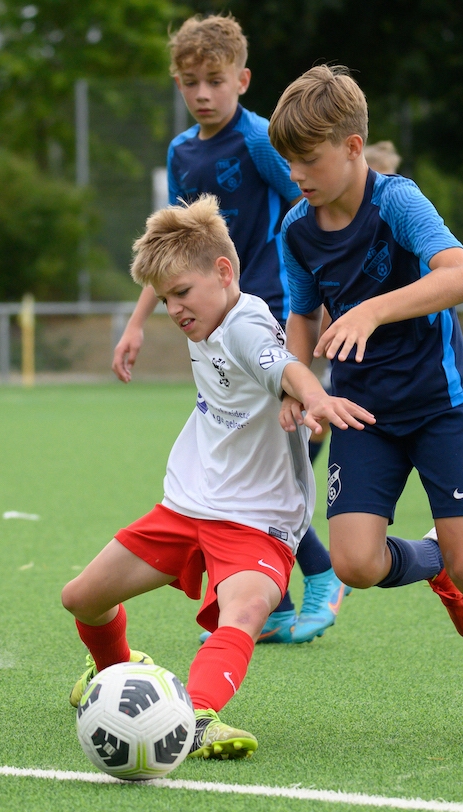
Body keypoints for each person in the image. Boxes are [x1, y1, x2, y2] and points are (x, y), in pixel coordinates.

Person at [270, 66, 463, 745]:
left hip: (439, 407)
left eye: (308, 158)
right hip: (362, 411)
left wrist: (373, 309)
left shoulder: (397, 201)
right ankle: (434, 561)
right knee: (353, 563)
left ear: (353, 147)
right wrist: (299, 384)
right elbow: (303, 315)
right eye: (289, 160)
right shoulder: (295, 229)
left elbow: (462, 275)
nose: (296, 174)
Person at [63, 197, 375, 758]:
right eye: (165, 299)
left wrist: (313, 397)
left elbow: (282, 364)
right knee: (82, 598)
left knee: (246, 612)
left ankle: (198, 717)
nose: (174, 309)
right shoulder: (207, 321)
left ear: (224, 272)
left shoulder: (244, 325)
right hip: (188, 504)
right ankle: (115, 674)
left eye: (182, 292)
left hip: (257, 518)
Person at [111, 13, 346, 645]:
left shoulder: (261, 139)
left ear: (241, 80)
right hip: (213, 326)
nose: (203, 93)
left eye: (214, 81)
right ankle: (276, 605)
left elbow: (307, 210)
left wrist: (319, 297)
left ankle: (323, 574)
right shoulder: (181, 151)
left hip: (265, 316)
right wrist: (136, 323)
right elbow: (171, 250)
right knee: (240, 464)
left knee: (267, 460)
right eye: (190, 83)